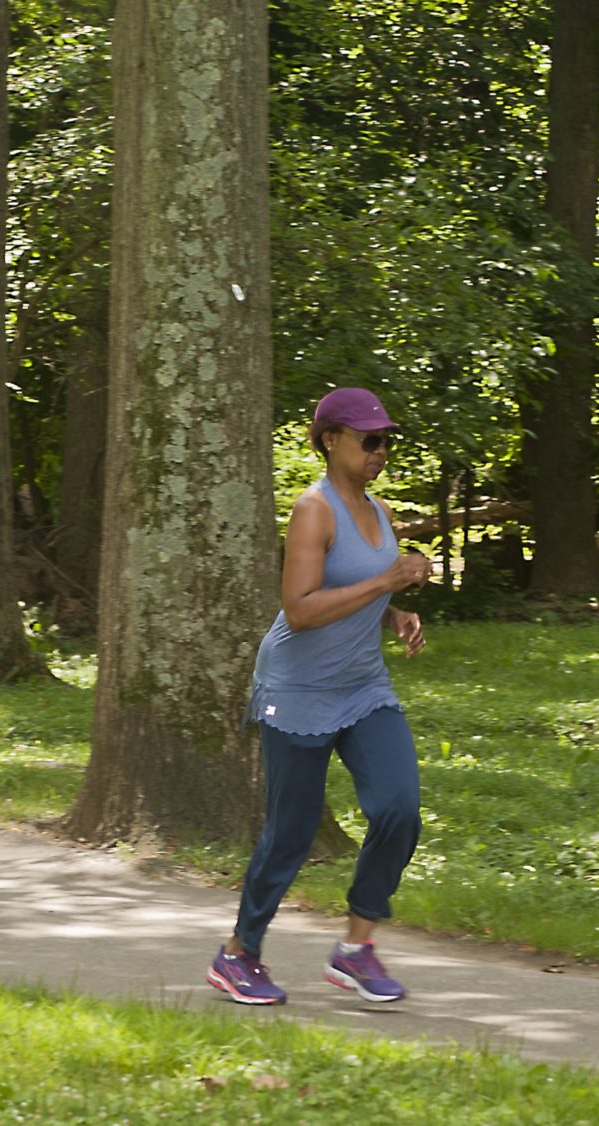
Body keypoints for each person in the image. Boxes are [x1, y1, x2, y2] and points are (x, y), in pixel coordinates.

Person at [207, 387, 433, 1006]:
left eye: (385, 441)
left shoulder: (380, 510)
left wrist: (393, 613)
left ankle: (356, 949)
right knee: (292, 831)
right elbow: (301, 610)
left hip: (363, 686)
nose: (379, 451)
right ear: (331, 440)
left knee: (399, 809)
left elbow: (357, 588)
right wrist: (386, 581)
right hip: (298, 689)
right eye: (368, 440)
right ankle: (238, 954)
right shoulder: (314, 510)